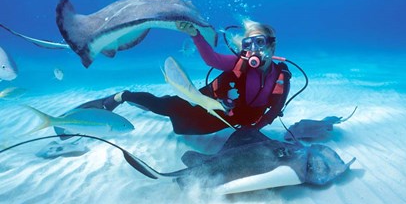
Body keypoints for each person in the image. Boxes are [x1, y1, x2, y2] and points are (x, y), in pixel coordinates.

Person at [77, 19, 291, 135]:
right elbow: (212, 60)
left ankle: (137, 103)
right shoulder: (239, 63)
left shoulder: (282, 76)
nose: (254, 50)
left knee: (189, 130)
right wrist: (194, 34)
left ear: (273, 45)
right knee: (167, 106)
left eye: (260, 43)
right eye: (248, 44)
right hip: (204, 104)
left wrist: (254, 130)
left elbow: (273, 110)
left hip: (228, 120)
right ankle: (121, 97)